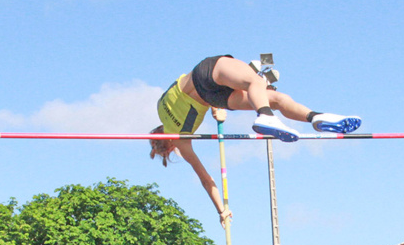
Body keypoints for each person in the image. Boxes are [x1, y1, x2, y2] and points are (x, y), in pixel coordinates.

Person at [150, 55, 362, 226]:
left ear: (168, 147)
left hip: (213, 96)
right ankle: (311, 116)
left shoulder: (182, 141)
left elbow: (207, 180)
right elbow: (184, 91)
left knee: (259, 84)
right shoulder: (161, 106)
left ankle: (279, 101)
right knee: (264, 88)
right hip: (206, 73)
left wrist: (222, 210)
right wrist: (216, 110)